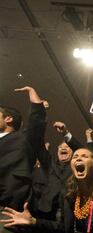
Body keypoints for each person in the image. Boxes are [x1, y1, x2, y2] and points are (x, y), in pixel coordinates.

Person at [0, 147, 93, 233]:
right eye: (75, 156)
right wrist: (33, 221)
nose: (78, 158)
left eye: (84, 156)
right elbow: (63, 227)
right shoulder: (67, 194)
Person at [0, 86, 47, 233]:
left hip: (6, 212)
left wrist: (35, 98)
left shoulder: (23, 138)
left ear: (8, 119)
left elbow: (36, 122)